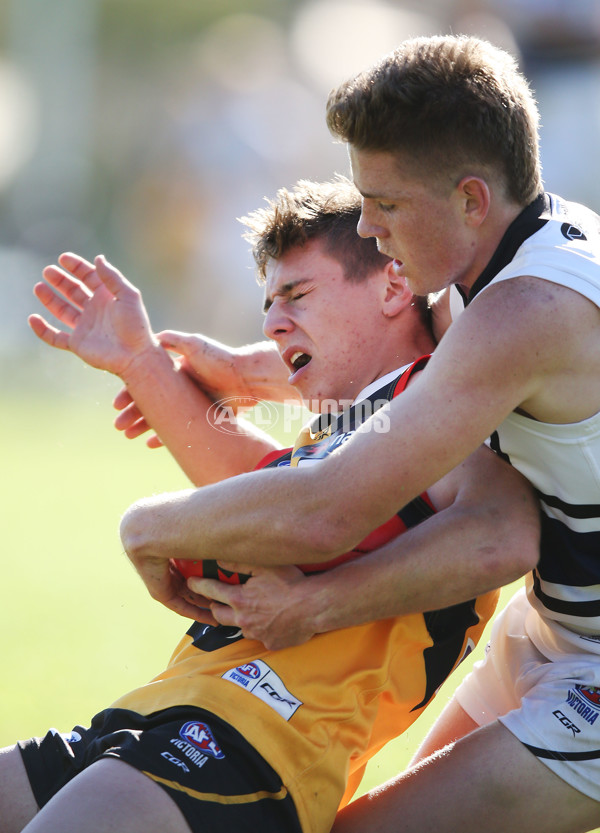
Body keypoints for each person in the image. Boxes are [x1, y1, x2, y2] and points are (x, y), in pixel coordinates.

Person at [116, 35, 600, 833]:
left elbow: (327, 508)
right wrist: (246, 372)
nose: (368, 227)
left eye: (387, 202)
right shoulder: (510, 257)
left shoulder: (525, 316)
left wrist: (144, 529)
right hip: (552, 628)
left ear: (472, 199)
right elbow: (423, 369)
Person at [9, 178, 538, 833]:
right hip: (161, 713)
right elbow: (266, 486)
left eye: (297, 294)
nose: (272, 321)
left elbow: (497, 529)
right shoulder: (354, 437)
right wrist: (142, 362)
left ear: (395, 287)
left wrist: (145, 526)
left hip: (252, 746)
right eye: (268, 302)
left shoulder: (438, 413)